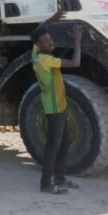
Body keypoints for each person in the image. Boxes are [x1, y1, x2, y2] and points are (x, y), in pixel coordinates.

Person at [30, 22, 82, 195]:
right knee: (53, 147)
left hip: (60, 105)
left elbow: (38, 31)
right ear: (39, 44)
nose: (50, 42)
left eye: (50, 38)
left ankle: (60, 178)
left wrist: (52, 19)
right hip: (54, 108)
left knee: (64, 143)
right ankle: (46, 184)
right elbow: (75, 63)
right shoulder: (46, 60)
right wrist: (77, 41)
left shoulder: (36, 52)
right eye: (46, 40)